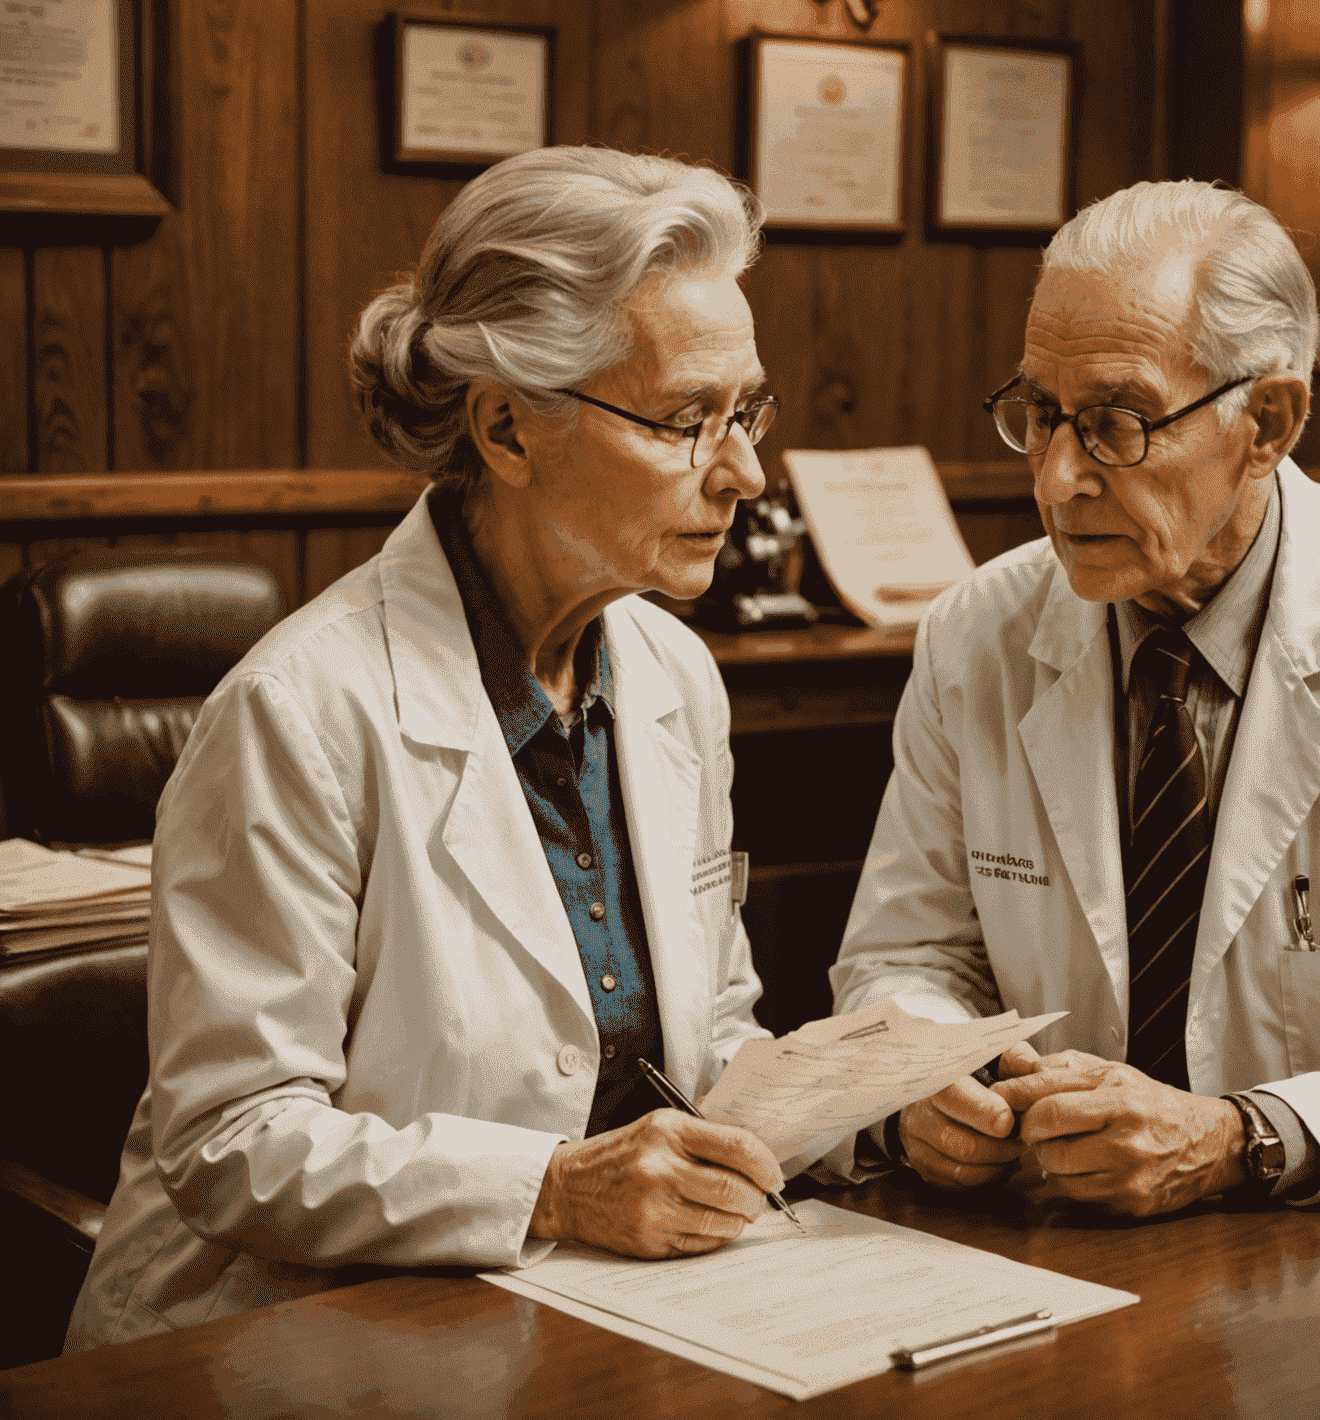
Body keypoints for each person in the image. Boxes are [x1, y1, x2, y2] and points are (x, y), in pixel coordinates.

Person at [67, 147, 787, 1350]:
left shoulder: (675, 678)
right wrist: (555, 1185)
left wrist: (869, 1107)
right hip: (268, 1344)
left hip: (574, 1316)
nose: (747, 471)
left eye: (747, 408)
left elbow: (714, 1032)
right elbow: (229, 1141)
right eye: (685, 421)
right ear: (507, 427)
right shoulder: (299, 709)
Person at [828, 180, 1320, 1213]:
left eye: (1117, 423)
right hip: (1044, 1247)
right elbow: (904, 955)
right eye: (1039, 416)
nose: (1060, 479)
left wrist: (1245, 1136)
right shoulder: (976, 632)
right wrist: (920, 1084)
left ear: (1270, 422)